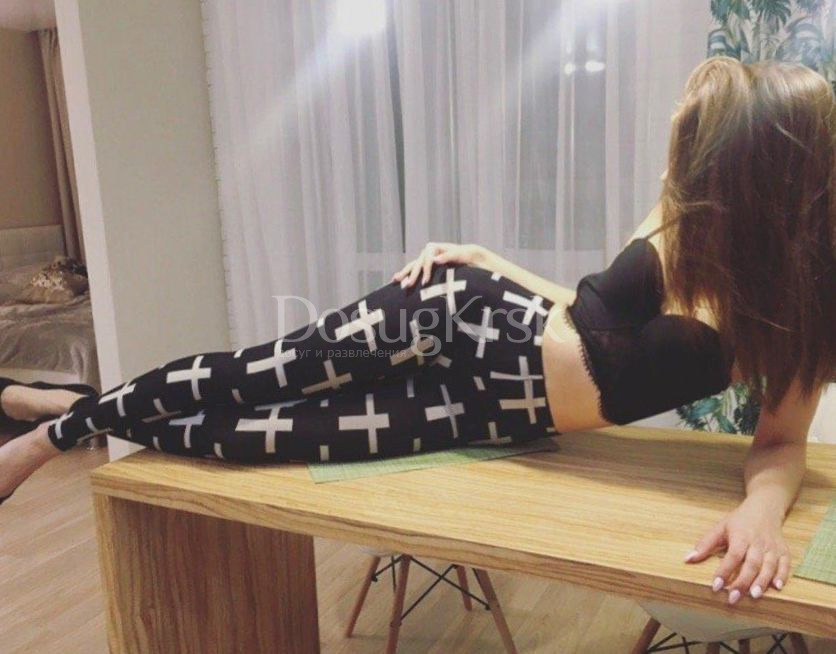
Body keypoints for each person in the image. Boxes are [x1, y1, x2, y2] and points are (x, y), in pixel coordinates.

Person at [1, 57, 833, 608]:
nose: (675, 171)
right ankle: (50, 437)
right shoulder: (686, 220)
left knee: (253, 438)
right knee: (254, 375)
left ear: (760, 173)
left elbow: (780, 445)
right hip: (453, 317)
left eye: (698, 156)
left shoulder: (804, 303)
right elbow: (594, 322)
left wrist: (762, 511)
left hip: (489, 412)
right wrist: (492, 263)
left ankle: (70, 405)